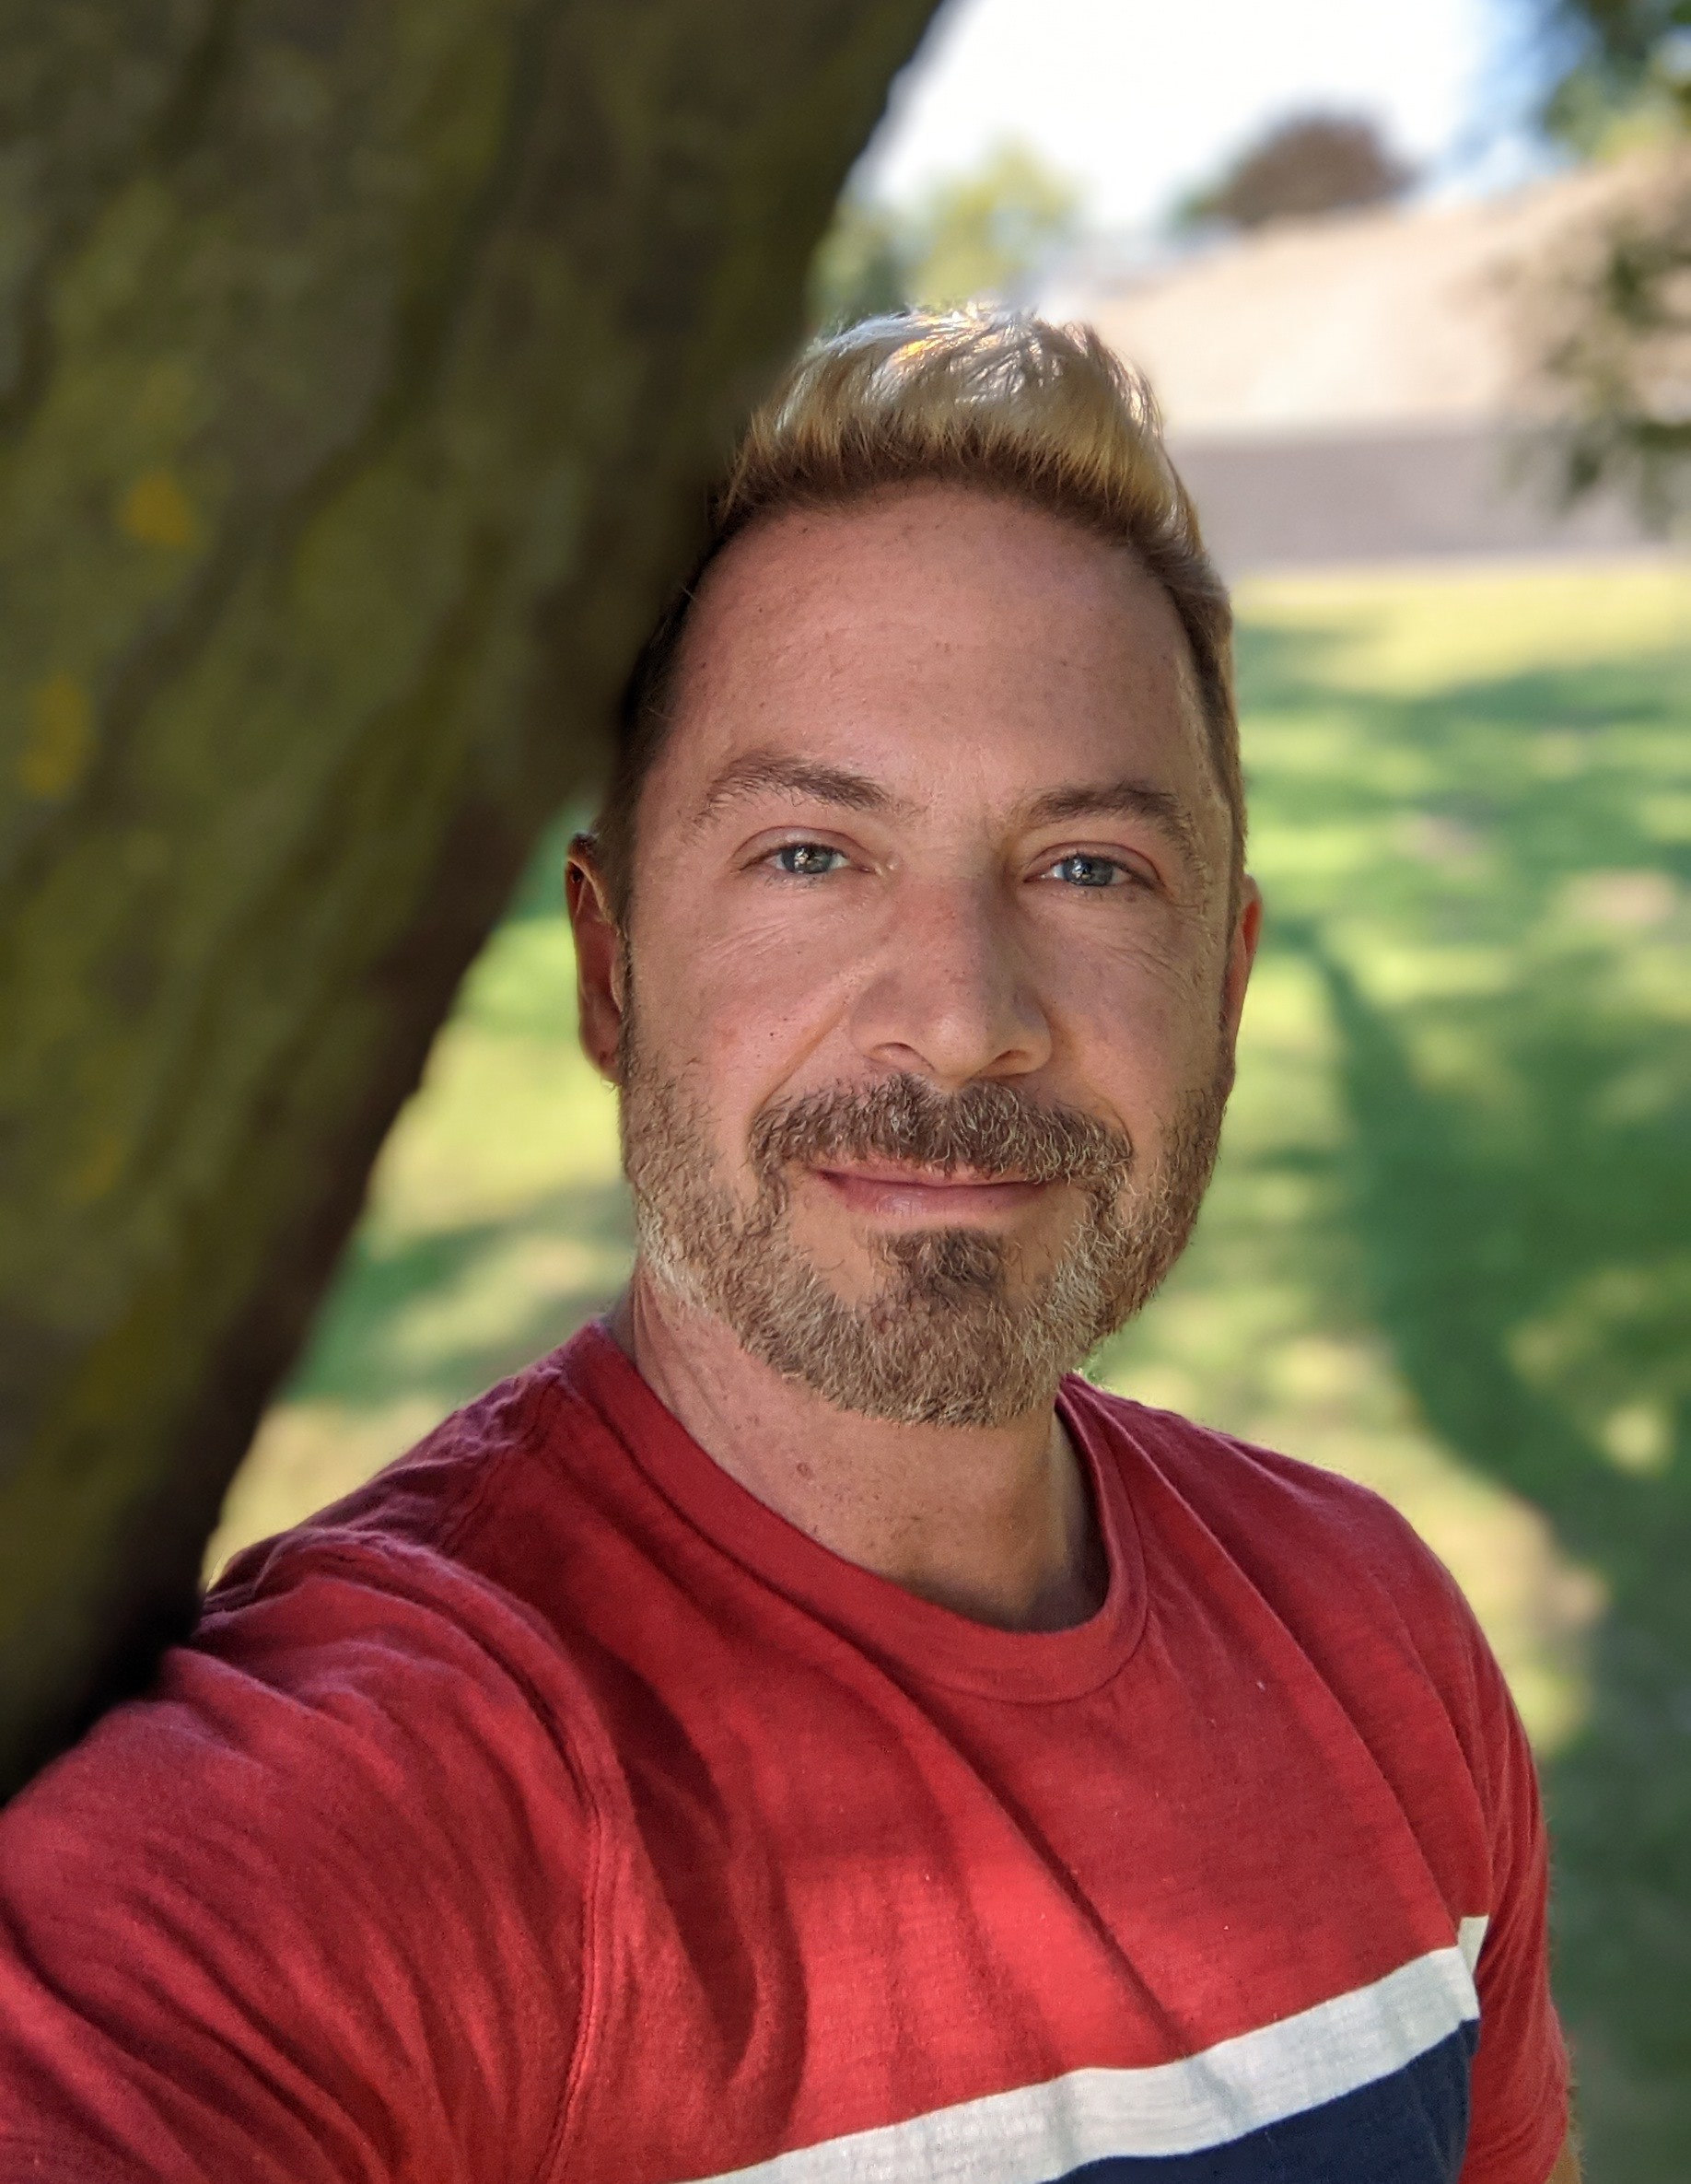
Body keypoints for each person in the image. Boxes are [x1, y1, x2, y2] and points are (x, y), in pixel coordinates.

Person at [0, 312, 1576, 2184]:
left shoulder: (1382, 1646)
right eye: (813, 854)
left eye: (1088, 868)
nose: (963, 1019)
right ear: (612, 971)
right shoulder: (358, 1814)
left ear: (1222, 985)